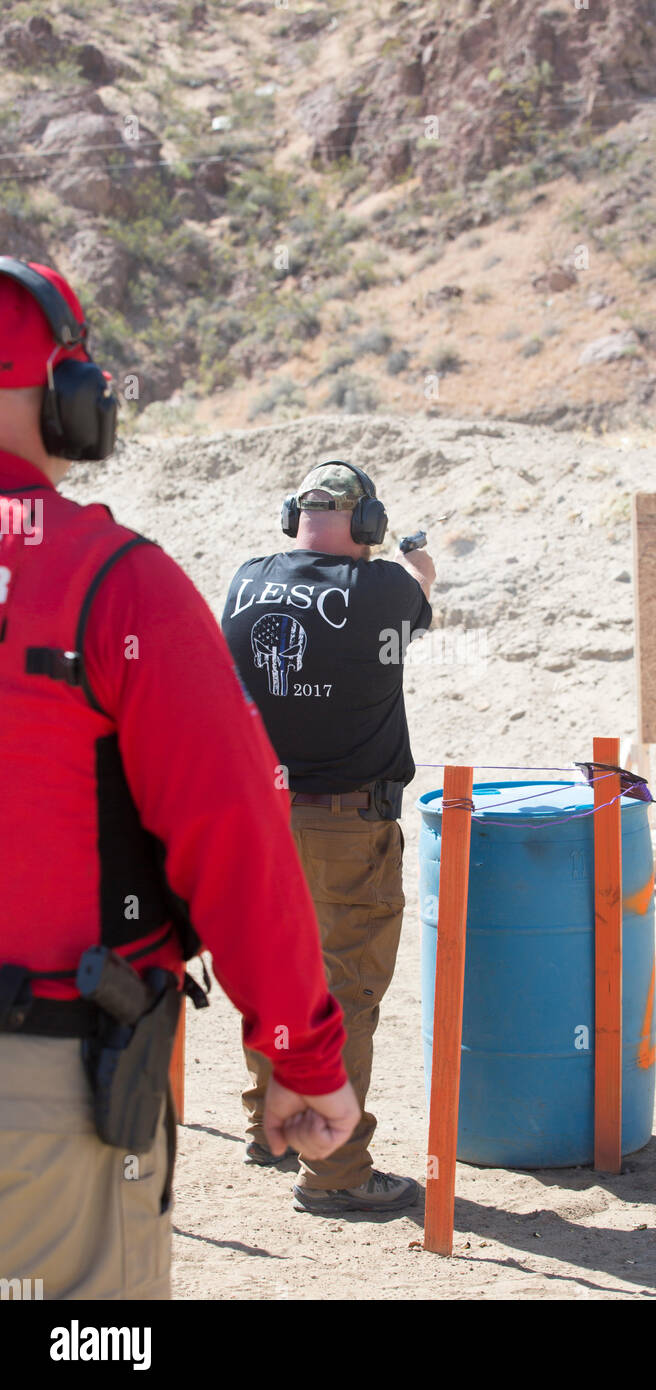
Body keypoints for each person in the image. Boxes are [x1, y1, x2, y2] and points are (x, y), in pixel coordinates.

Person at [0, 258, 360, 1300]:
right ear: (66, 398)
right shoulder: (115, 585)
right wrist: (299, 1049)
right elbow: (235, 834)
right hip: (46, 1090)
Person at [222, 461, 435, 1214]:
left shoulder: (246, 579)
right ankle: (336, 1169)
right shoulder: (384, 588)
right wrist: (416, 563)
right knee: (342, 991)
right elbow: (415, 594)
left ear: (294, 515)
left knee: (270, 972)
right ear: (368, 523)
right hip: (345, 823)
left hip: (253, 817)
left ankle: (268, 1127)